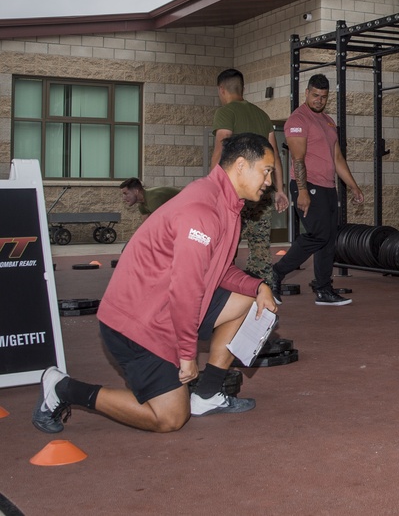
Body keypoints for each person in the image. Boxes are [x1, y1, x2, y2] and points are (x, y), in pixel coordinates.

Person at [33, 133, 280, 434]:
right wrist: (188, 356)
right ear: (241, 165)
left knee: (254, 302)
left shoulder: (228, 206)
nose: (269, 181)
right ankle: (62, 389)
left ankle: (207, 395)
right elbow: (185, 292)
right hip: (137, 323)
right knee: (170, 418)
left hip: (166, 309)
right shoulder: (202, 210)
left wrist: (257, 286)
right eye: (266, 170)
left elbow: (217, 268)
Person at [272, 73, 364, 306]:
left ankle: (323, 290)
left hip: (327, 187)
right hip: (307, 186)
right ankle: (275, 273)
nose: (319, 100)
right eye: (315, 95)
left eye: (323, 97)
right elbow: (298, 158)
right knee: (318, 234)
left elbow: (337, 158)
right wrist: (302, 191)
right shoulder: (297, 120)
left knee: (329, 239)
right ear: (306, 93)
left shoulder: (328, 121)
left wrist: (353, 186)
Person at [211, 68, 290, 302]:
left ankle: (223, 292)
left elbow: (220, 151)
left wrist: (210, 187)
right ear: (242, 89)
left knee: (226, 244)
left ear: (221, 90)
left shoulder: (225, 112)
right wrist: (280, 190)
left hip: (234, 192)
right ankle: (263, 292)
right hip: (261, 192)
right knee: (259, 246)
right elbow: (275, 155)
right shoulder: (262, 115)